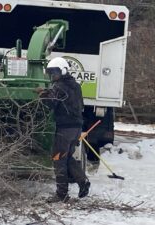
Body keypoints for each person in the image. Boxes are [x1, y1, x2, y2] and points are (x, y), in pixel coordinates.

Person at [35, 57, 90, 203]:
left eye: (55, 72)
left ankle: (61, 194)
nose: (53, 76)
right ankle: (83, 181)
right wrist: (48, 92)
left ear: (63, 71)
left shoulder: (59, 87)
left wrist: (41, 94)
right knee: (66, 157)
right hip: (77, 127)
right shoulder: (75, 86)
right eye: (51, 73)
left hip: (65, 129)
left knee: (58, 159)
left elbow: (52, 103)